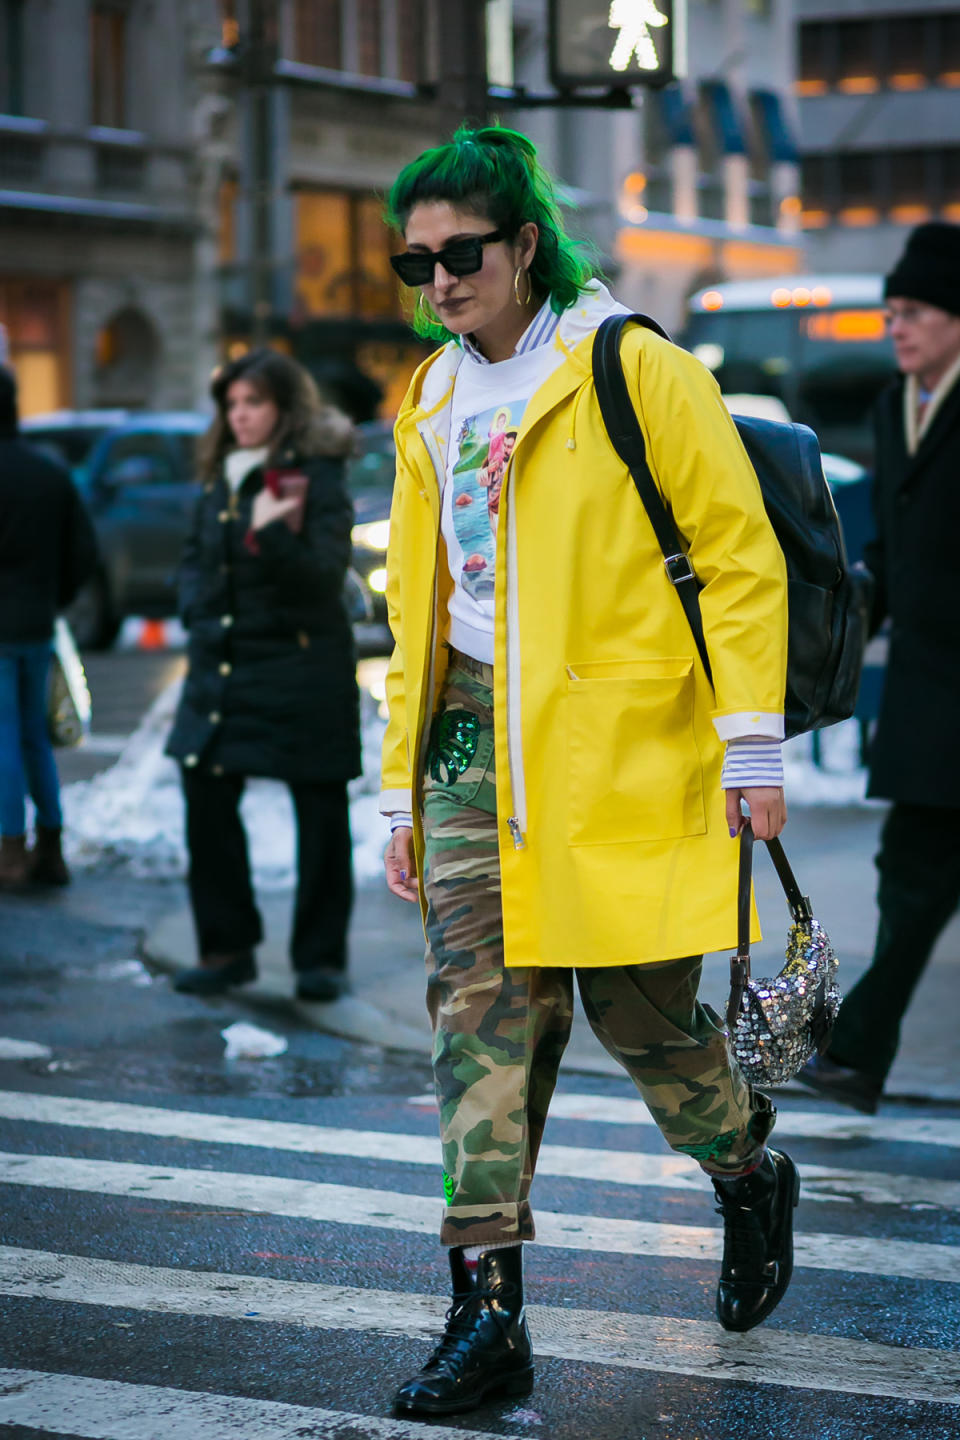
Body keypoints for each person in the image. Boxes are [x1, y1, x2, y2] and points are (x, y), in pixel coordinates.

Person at [378, 125, 798, 1419]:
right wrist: (399, 787)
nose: (440, 279)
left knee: (641, 1020)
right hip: (470, 745)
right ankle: (485, 1315)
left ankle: (744, 1171)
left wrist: (754, 746)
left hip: (617, 748)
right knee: (480, 1024)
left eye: (461, 252)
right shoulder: (431, 398)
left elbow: (736, 558)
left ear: (523, 244)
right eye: (415, 259)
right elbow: (419, 606)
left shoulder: (629, 366)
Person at [798, 222, 960, 1115]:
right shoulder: (902, 406)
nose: (898, 327)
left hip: (947, 702)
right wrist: (839, 632)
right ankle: (858, 1056)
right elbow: (891, 561)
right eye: (892, 311)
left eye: (919, 311)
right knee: (911, 872)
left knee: (915, 873)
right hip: (931, 701)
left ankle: (859, 1054)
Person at [166, 349, 361, 1002]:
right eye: (233, 405)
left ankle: (320, 960)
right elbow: (196, 560)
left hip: (301, 667)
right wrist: (193, 606)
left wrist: (271, 521)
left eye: (255, 403)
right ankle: (226, 950)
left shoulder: (311, 473)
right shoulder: (220, 473)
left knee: (320, 810)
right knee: (206, 789)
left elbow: (318, 575)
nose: (241, 415)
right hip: (225, 667)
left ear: (283, 408)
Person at [0, 366, 98, 892]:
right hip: (36, 622)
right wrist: (53, 596)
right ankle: (51, 848)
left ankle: (10, 854)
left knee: (3, 738)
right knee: (34, 736)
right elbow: (84, 551)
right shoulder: (48, 473)